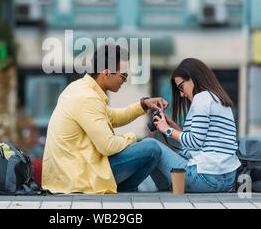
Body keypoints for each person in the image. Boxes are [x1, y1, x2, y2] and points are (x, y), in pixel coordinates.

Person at [42, 43, 168, 194]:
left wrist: (143, 104)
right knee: (152, 148)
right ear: (106, 73)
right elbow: (107, 146)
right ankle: (124, 190)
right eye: (123, 75)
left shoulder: (80, 88)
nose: (125, 80)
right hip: (79, 177)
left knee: (148, 147)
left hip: (71, 173)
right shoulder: (87, 98)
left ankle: (123, 190)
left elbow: (112, 117)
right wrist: (134, 137)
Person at [149, 58, 240, 193]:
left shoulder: (201, 98)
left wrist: (166, 130)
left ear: (193, 78)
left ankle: (167, 188)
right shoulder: (220, 99)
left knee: (152, 147)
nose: (181, 94)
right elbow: (199, 140)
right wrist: (172, 125)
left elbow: (194, 142)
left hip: (204, 178)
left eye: (181, 87)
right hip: (228, 180)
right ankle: (171, 186)